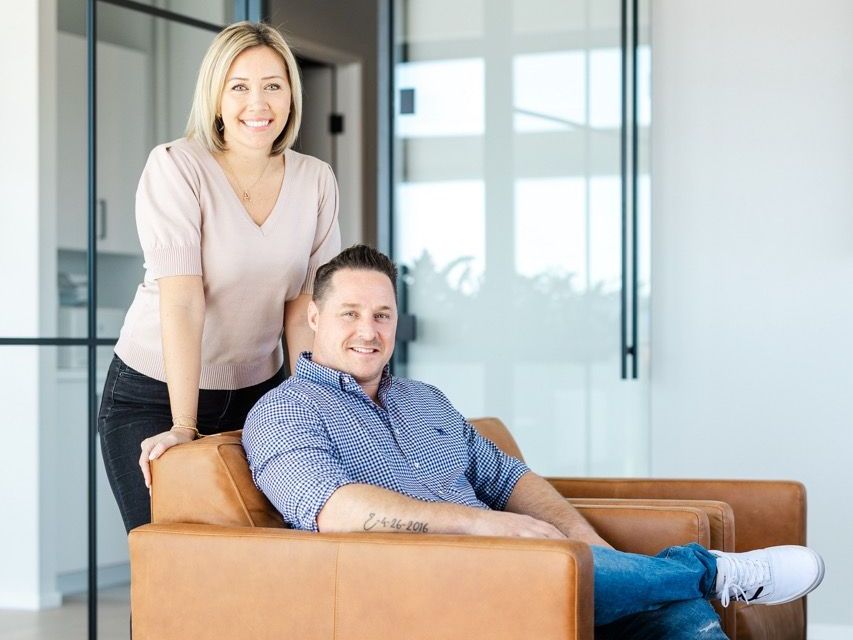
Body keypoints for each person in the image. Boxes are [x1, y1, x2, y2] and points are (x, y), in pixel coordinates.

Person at [242, 245, 824, 638]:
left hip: (521, 572)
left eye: (383, 314)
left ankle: (675, 579)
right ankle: (711, 571)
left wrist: (592, 547)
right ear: (314, 317)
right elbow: (335, 510)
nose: (369, 331)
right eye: (350, 313)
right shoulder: (284, 412)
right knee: (662, 586)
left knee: (676, 608)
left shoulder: (426, 400)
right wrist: (481, 525)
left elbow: (510, 480)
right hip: (418, 584)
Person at [98, 21, 340, 533]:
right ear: (216, 98)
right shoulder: (176, 166)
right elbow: (183, 299)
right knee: (172, 570)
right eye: (240, 87)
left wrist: (307, 407)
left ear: (292, 95)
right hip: (157, 392)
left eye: (273, 85)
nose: (259, 103)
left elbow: (303, 308)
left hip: (258, 393)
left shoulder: (315, 180)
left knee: (246, 572)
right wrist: (182, 426)